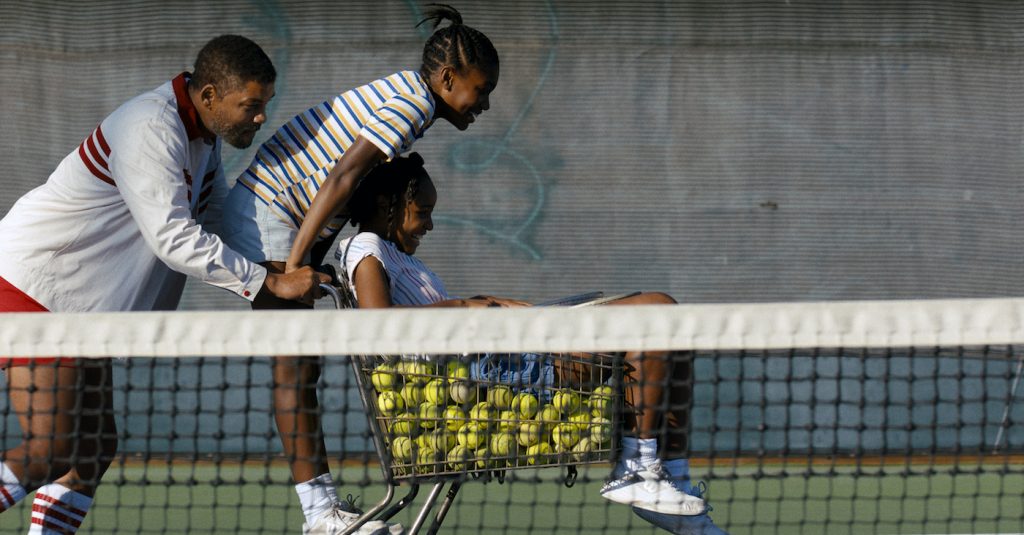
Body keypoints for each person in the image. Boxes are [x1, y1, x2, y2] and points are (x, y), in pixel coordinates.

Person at [0, 35, 333, 534]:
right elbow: (174, 238)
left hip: (80, 310)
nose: (261, 117)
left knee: (91, 451)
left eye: (264, 104)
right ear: (209, 97)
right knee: (53, 445)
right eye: (251, 105)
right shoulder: (151, 126)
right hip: (38, 287)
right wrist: (267, 283)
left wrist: (275, 268)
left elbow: (214, 218)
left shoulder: (202, 138)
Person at [333, 154, 729, 535]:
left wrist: (492, 301)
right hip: (496, 375)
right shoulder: (366, 248)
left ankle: (667, 478)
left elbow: (436, 311)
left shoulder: (398, 256)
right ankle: (638, 470)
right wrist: (468, 306)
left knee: (666, 318)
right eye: (422, 212)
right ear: (387, 204)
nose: (430, 224)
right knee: (657, 312)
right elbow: (379, 327)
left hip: (502, 359)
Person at [219, 5, 498, 534]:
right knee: (296, 367)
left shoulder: (410, 101)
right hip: (271, 213)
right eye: (480, 90)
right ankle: (320, 515)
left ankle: (323, 511)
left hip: (292, 219)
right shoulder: (412, 104)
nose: (483, 104)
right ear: (446, 79)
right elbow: (343, 177)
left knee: (302, 368)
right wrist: (296, 266)